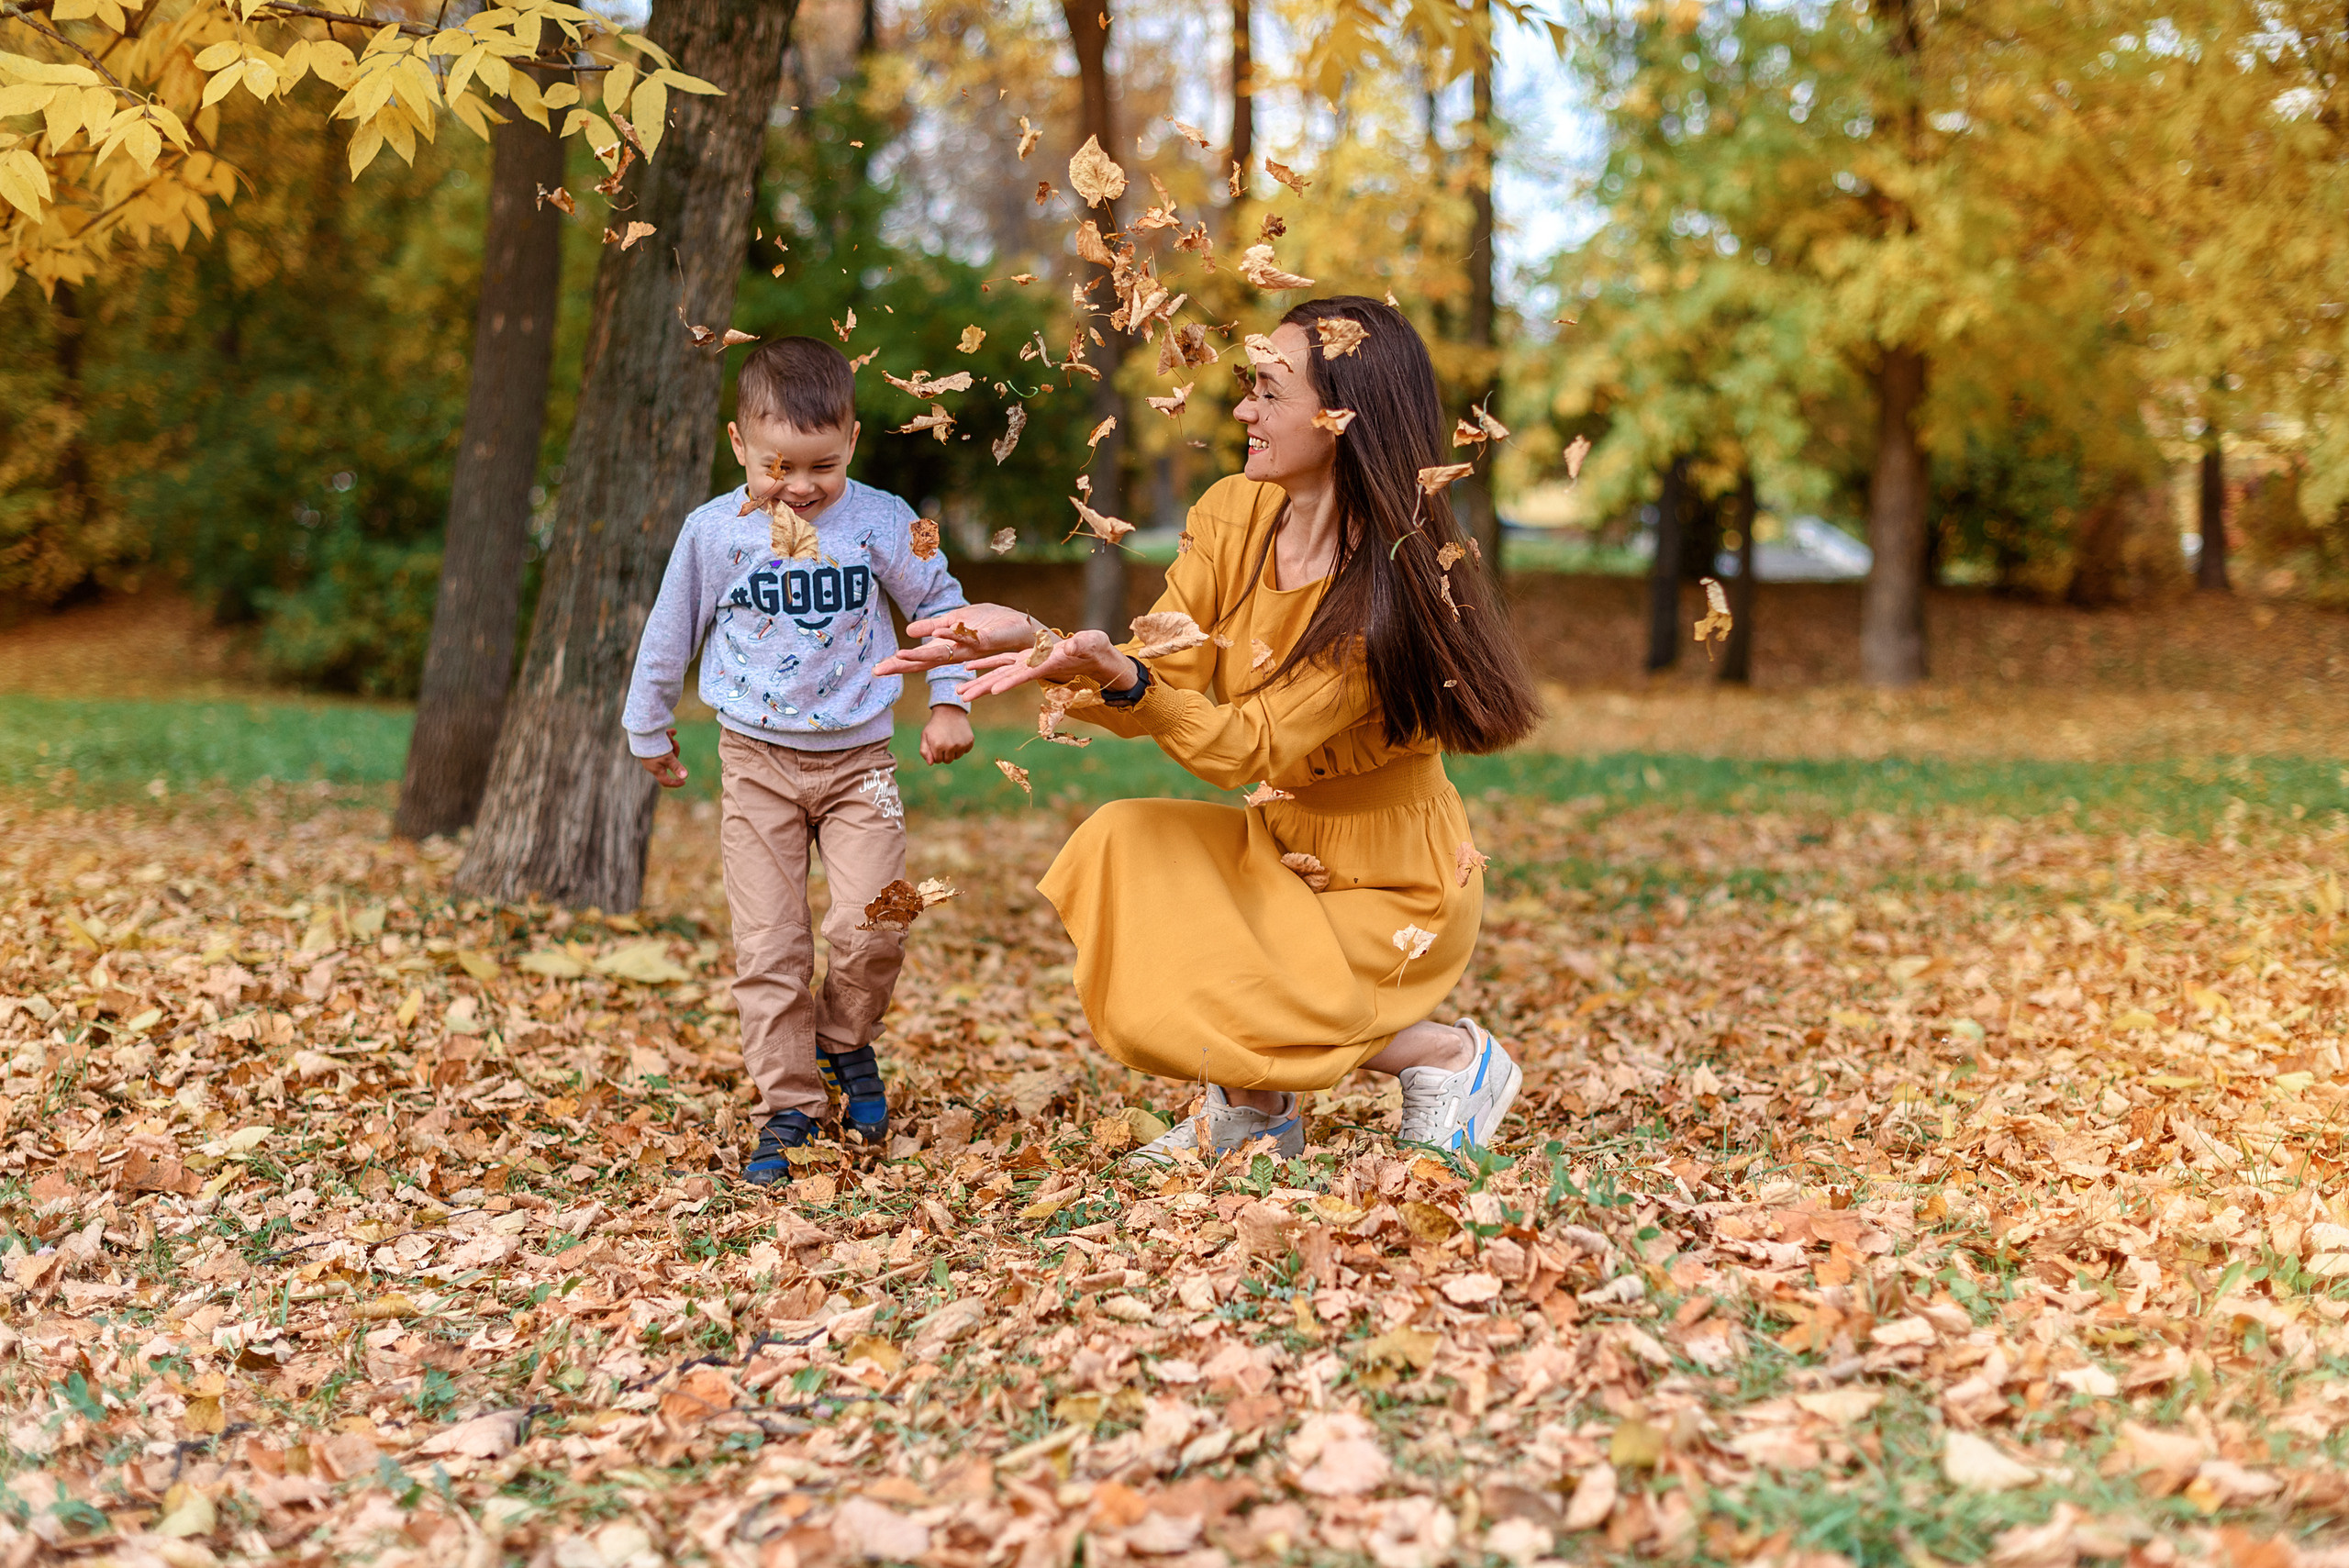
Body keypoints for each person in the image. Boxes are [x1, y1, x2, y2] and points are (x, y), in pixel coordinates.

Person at [878, 296, 1541, 1161]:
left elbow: (1244, 747)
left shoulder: (1385, 594)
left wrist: (1124, 677)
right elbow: (1168, 665)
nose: (1243, 411)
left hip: (1392, 884)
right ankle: (1256, 1110)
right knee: (1124, 843)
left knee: (1230, 975)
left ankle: (1451, 1055)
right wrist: (1044, 644)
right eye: (1247, 387)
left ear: (1343, 416)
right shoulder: (1233, 513)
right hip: (1282, 846)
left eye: (1269, 390)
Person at [624, 336, 974, 1183]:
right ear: (739, 444)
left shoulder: (890, 520)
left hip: (863, 764)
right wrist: (649, 725)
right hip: (754, 763)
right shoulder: (713, 531)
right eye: (780, 466)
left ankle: (844, 1042)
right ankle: (790, 1103)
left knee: (875, 920)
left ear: (852, 438)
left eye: (823, 464)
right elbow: (672, 629)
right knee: (771, 944)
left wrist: (953, 697)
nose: (803, 488)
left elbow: (944, 604)